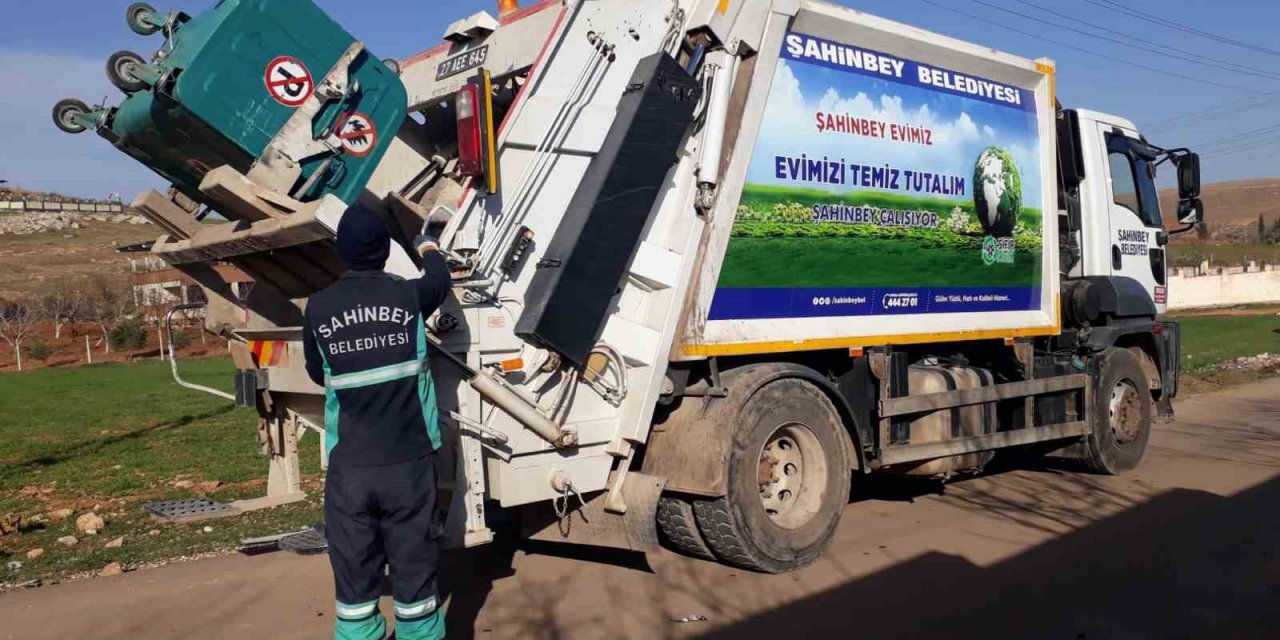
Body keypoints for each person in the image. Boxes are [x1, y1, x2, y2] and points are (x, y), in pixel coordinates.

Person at [302, 204, 451, 640]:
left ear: (340, 251)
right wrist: (428, 246)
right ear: (386, 251)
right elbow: (439, 282)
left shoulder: (319, 308)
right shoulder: (408, 297)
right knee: (415, 575)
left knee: (354, 581)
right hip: (409, 465)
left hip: (350, 469)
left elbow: (319, 373)